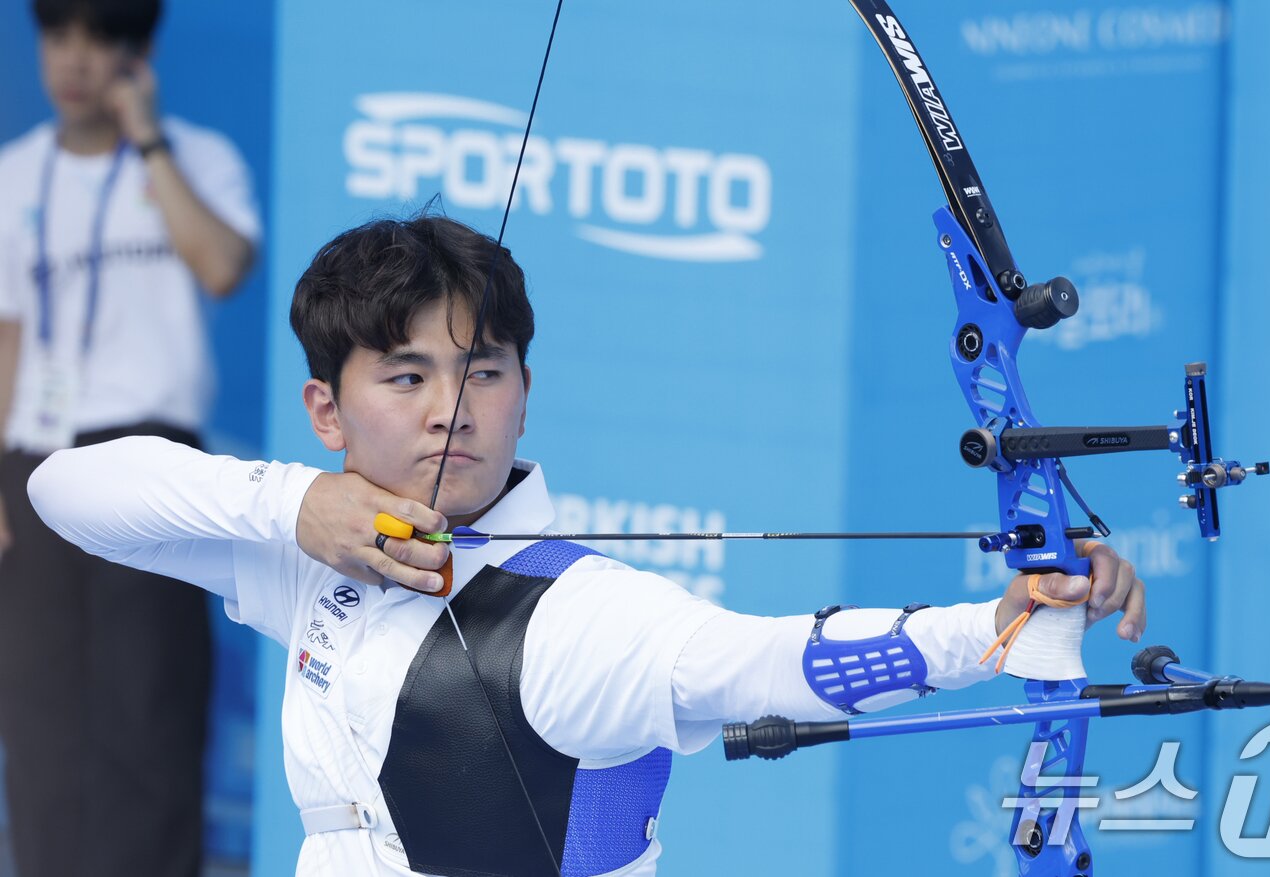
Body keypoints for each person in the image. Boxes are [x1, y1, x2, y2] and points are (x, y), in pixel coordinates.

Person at [27, 215, 1143, 877]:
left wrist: (989, 628)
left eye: (485, 371)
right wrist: (296, 505)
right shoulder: (313, 549)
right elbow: (66, 492)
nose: (449, 410)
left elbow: (765, 662)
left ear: (523, 395)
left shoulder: (582, 618)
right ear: (328, 410)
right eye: (405, 376)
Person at [0, 0, 260, 874]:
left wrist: (148, 143)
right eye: (58, 35)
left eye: (98, 37)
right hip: (34, 459)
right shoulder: (13, 174)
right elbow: (4, 338)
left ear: (139, 51)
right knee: (39, 716)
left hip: (151, 456)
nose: (74, 59)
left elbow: (224, 265)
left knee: (149, 705)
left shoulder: (198, 157)